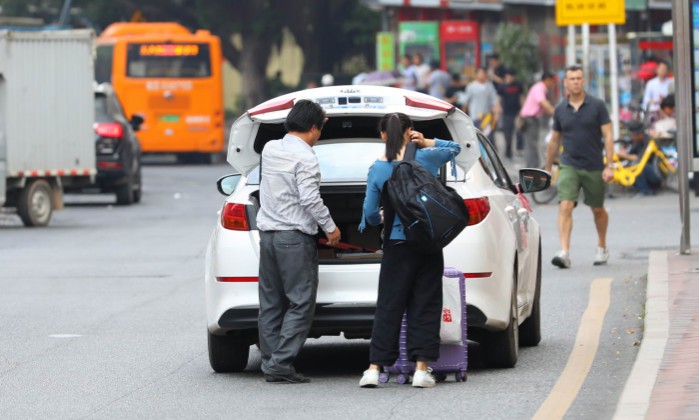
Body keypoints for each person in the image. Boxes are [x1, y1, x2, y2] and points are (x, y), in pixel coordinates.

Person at [357, 113, 461, 389]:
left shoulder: (377, 169)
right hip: (426, 244)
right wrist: (426, 141)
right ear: (408, 132)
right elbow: (455, 148)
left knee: (389, 306)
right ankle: (421, 370)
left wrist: (378, 218)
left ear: (382, 135)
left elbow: (368, 214)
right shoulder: (425, 158)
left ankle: (373, 369)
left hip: (396, 245)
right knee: (425, 305)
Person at [256, 100, 342, 384]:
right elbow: (309, 199)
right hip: (293, 238)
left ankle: (271, 362)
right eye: (320, 129)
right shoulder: (306, 157)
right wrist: (331, 228)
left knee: (271, 303)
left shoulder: (270, 149)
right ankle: (280, 364)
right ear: (313, 128)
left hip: (268, 237)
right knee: (301, 302)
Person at [545, 64, 615, 269]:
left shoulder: (598, 105)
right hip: (569, 165)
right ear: (565, 82)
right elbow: (554, 140)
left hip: (594, 165)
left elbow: (608, 136)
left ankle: (602, 246)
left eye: (578, 78)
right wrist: (548, 168)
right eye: (571, 78)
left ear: (583, 81)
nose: (575, 81)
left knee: (597, 209)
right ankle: (564, 251)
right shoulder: (560, 109)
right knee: (565, 205)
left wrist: (609, 165)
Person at [519, 72, 556, 168]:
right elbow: (543, 103)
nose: (552, 84)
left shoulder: (538, 87)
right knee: (532, 144)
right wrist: (556, 112)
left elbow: (544, 108)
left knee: (531, 144)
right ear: (548, 80)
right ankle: (532, 167)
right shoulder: (540, 88)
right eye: (552, 81)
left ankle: (532, 166)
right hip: (530, 119)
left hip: (529, 119)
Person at [616, 120, 663, 196]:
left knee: (638, 166)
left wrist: (625, 155)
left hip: (656, 172)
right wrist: (619, 156)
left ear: (638, 134)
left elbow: (639, 159)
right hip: (647, 171)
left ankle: (645, 190)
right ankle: (640, 188)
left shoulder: (650, 142)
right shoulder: (637, 143)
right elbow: (629, 156)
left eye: (632, 135)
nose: (631, 137)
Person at [463, 67, 500, 138]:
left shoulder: (490, 86)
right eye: (481, 73)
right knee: (476, 138)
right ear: (476, 75)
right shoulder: (471, 87)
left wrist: (496, 113)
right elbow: (466, 103)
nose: (483, 75)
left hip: (487, 117)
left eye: (484, 73)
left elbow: (495, 101)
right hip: (475, 117)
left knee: (488, 138)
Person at [497, 69, 525, 159]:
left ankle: (519, 150)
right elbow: (498, 98)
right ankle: (508, 153)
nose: (509, 78)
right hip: (506, 113)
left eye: (511, 77)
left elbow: (521, 97)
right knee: (507, 134)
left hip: (517, 113)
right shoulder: (502, 87)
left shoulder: (518, 86)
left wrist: (523, 110)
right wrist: (499, 108)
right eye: (508, 76)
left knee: (519, 133)